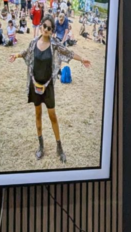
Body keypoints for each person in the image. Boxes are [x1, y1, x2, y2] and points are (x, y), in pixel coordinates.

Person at [9, 17, 91, 163]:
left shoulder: (54, 45)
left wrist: (82, 59)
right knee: (38, 115)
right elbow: (26, 52)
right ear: (41, 26)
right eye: (44, 26)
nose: (46, 29)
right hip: (35, 84)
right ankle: (41, 146)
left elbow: (68, 53)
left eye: (49, 28)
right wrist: (16, 55)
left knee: (53, 116)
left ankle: (59, 147)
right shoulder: (34, 42)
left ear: (52, 31)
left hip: (48, 86)